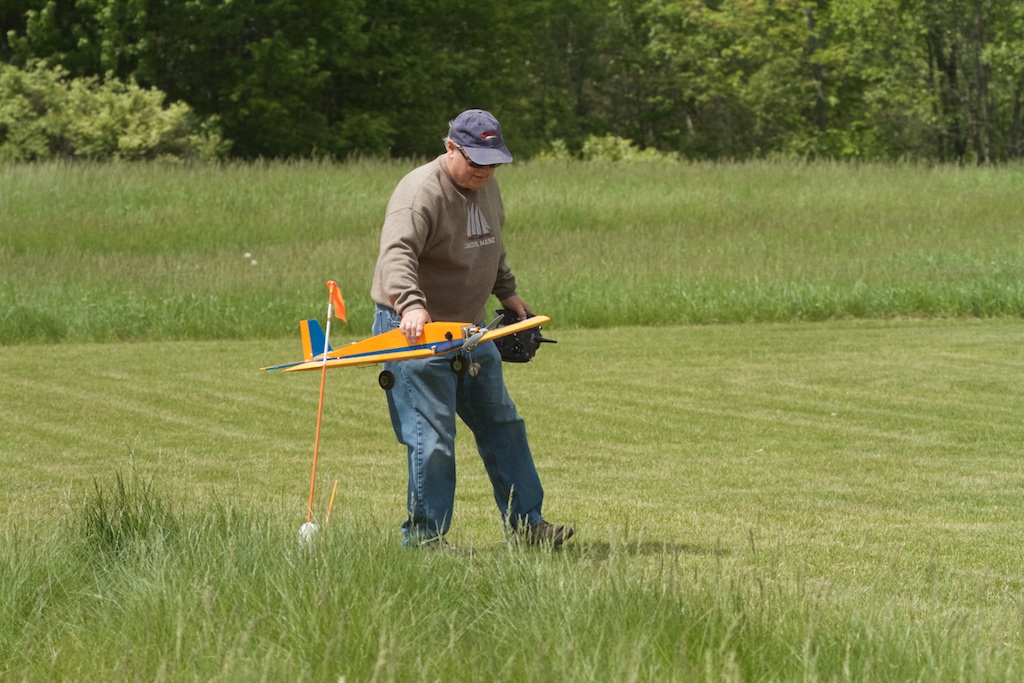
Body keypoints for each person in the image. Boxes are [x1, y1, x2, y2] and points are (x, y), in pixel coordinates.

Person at [370, 108, 573, 549]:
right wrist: (411, 306)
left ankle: (528, 527)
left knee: (503, 423)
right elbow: (397, 254)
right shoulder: (420, 191)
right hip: (415, 333)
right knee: (433, 438)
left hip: (469, 329)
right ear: (450, 148)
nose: (486, 169)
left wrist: (508, 292)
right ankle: (425, 541)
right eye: (477, 160)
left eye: (493, 160)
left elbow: (490, 243)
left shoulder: (486, 185)